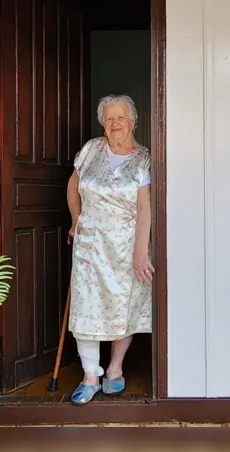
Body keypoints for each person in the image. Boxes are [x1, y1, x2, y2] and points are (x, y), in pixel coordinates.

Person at [65, 94, 154, 405]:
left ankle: (114, 369)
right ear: (103, 123)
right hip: (90, 244)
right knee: (86, 305)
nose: (115, 124)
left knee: (122, 307)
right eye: (109, 119)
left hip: (125, 245)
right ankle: (90, 374)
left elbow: (145, 208)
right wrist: (76, 220)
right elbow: (73, 186)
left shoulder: (144, 158)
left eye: (121, 118)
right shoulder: (91, 149)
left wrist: (141, 252)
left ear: (132, 122)